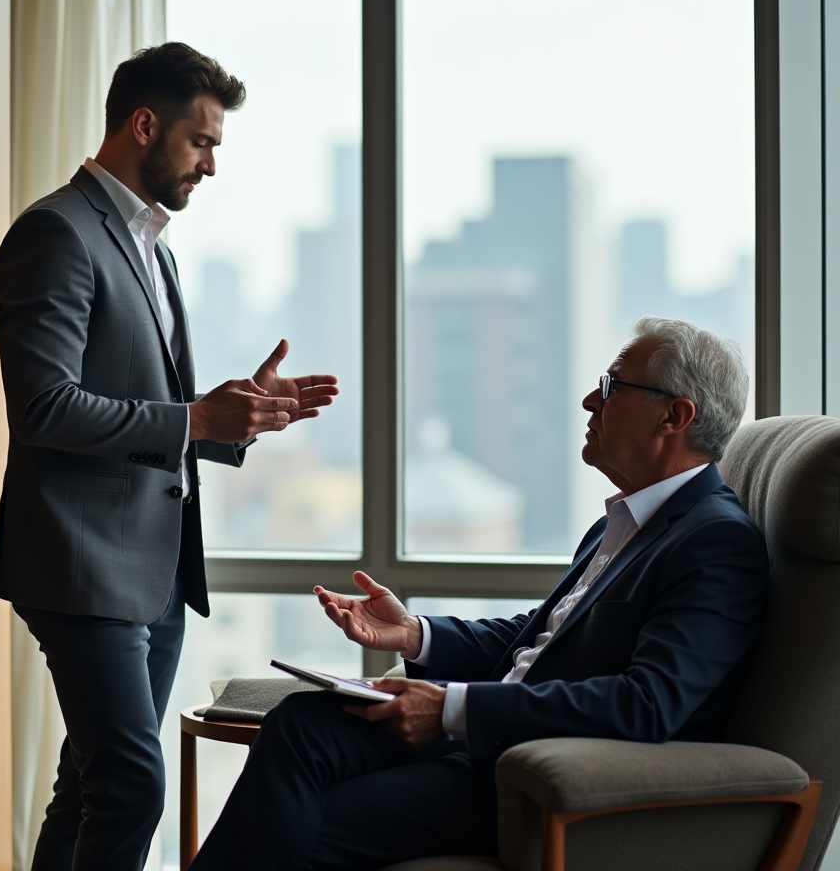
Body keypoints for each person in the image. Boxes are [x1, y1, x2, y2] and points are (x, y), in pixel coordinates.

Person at [191, 317, 767, 871]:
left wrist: (453, 709)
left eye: (611, 386)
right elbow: (543, 637)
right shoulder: (623, 522)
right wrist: (415, 634)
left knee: (295, 824)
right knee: (300, 721)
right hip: (489, 731)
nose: (590, 403)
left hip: (527, 770)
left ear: (675, 415)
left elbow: (650, 704)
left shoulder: (714, 540)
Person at [0, 42, 339, 870]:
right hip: (81, 562)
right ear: (144, 125)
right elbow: (42, 407)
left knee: (90, 783)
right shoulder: (56, 233)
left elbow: (153, 402)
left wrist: (232, 418)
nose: (212, 164)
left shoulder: (157, 247)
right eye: (201, 141)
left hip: (157, 567)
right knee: (134, 786)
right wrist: (190, 419)